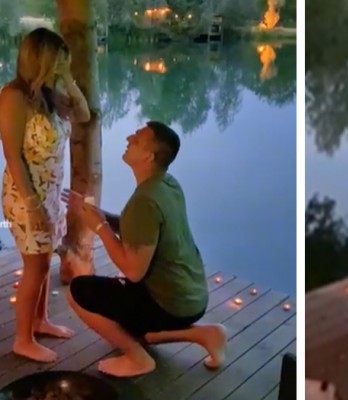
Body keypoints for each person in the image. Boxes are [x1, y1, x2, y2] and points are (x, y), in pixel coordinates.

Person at [62, 121, 226, 378]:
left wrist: (101, 227)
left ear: (149, 156)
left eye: (137, 139)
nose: (128, 138)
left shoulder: (144, 201)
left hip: (169, 304)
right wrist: (97, 214)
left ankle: (137, 358)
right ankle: (206, 334)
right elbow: (142, 229)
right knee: (128, 320)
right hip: (190, 297)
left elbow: (133, 271)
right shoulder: (168, 184)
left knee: (77, 291)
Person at [0, 27, 91, 363]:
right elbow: (12, 155)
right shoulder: (12, 97)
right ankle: (22, 339)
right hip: (26, 195)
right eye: (59, 62)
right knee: (35, 266)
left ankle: (40, 321)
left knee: (43, 260)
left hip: (50, 191)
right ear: (40, 60)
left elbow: (83, 114)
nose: (62, 67)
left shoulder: (50, 94)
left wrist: (67, 80)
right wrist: (33, 203)